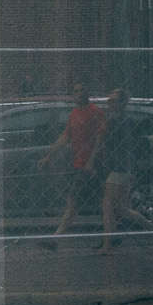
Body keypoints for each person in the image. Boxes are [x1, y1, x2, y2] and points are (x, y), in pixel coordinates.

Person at [93, 88, 153, 252]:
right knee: (121, 209)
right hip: (123, 169)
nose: (110, 104)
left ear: (123, 103)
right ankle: (152, 228)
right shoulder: (118, 121)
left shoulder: (120, 123)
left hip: (120, 169)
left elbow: (124, 149)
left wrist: (126, 168)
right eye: (109, 101)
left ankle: (108, 244)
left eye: (114, 101)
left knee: (107, 206)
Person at [42, 81, 106, 240]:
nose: (78, 94)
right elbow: (65, 136)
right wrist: (50, 154)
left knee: (73, 198)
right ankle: (114, 233)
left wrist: (92, 160)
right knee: (102, 201)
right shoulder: (74, 114)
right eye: (75, 91)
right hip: (79, 163)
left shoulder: (96, 112)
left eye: (81, 90)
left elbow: (100, 137)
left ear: (87, 92)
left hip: (91, 164)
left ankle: (57, 236)